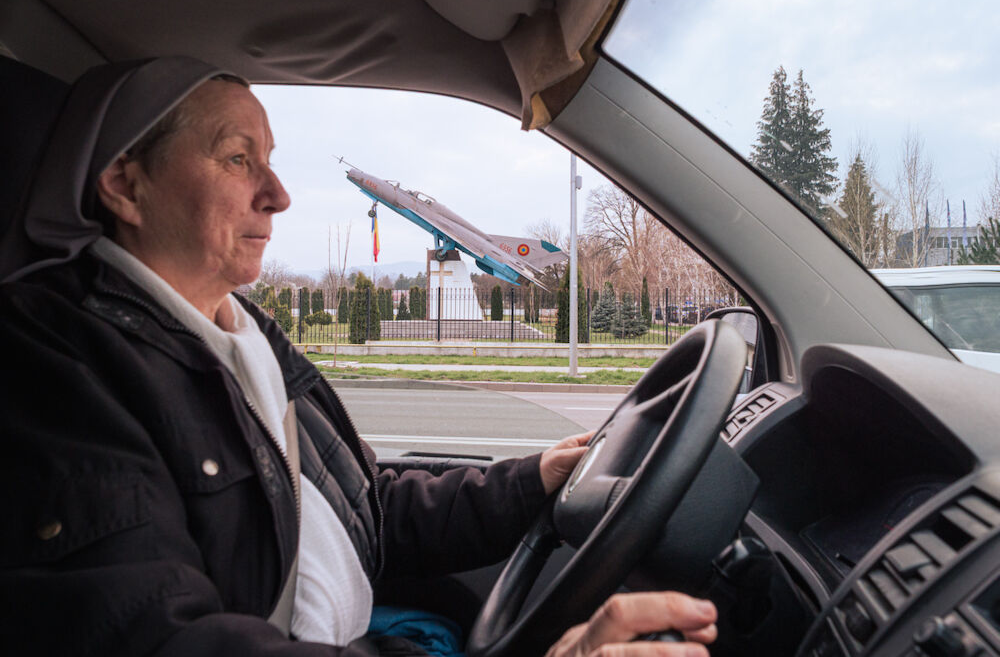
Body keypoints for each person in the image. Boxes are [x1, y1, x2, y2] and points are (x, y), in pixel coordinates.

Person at [0, 57, 717, 656]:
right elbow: (158, 634)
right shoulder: (56, 360)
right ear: (126, 184)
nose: (277, 195)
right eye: (237, 158)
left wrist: (532, 480)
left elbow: (367, 505)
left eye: (270, 161)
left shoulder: (241, 328)